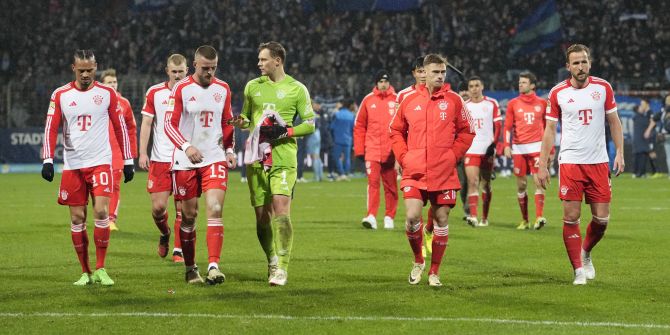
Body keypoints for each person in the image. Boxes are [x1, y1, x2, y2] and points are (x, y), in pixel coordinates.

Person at [41, 49, 135, 286]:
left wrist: (128, 160)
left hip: (100, 162)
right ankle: (86, 271)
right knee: (77, 218)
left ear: (96, 68)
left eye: (90, 70)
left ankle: (101, 268)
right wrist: (48, 159)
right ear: (73, 68)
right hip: (73, 165)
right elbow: (51, 127)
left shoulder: (106, 94)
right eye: (81, 70)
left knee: (102, 213)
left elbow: (120, 126)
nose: (85, 74)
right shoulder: (60, 94)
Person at [536, 44, 624, 285]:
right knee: (571, 216)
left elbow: (614, 122)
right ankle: (577, 270)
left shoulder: (603, 87)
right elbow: (550, 130)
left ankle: (585, 252)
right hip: (571, 162)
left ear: (590, 63)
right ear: (568, 67)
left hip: (598, 161)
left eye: (584, 61)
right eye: (576, 63)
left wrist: (619, 153)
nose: (581, 66)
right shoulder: (558, 93)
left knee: (602, 220)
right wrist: (542, 164)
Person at [230, 41, 315, 286]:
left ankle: (283, 268)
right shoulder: (252, 87)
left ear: (277, 60)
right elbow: (247, 118)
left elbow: (309, 124)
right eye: (259, 60)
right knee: (261, 217)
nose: (259, 63)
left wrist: (285, 132)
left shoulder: (297, 89)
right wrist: (241, 122)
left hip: (283, 158)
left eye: (263, 59)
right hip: (256, 158)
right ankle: (272, 260)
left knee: (281, 210)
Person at [390, 54, 475, 287]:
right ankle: (418, 260)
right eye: (435, 72)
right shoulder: (407, 100)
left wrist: (452, 155)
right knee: (412, 217)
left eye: (442, 72)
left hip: (444, 171)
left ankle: (435, 271)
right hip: (415, 169)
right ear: (423, 73)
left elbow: (468, 131)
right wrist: (404, 157)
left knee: (441, 218)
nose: (439, 76)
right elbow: (395, 131)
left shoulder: (455, 100)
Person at [164, 45, 236, 285]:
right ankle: (190, 268)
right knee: (188, 216)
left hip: (213, 157)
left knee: (215, 207)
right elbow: (169, 126)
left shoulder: (223, 88)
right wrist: (186, 147)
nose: (210, 73)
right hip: (185, 161)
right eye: (206, 68)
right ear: (194, 65)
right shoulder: (181, 89)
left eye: (214, 68)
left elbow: (227, 122)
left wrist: (229, 150)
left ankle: (214, 266)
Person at [138, 54, 188, 262]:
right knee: (158, 209)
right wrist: (142, 152)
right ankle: (165, 233)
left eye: (181, 72)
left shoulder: (194, 93)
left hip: (185, 159)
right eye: (174, 72)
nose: (177, 75)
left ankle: (178, 250)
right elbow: (147, 124)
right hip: (160, 159)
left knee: (183, 209)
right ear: (167, 71)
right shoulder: (155, 92)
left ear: (187, 71)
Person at [503, 72, 549, 230]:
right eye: (519, 82)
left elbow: (548, 127)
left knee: (538, 181)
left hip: (537, 146)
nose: (520, 84)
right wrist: (506, 145)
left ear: (532, 85)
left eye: (523, 82)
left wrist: (549, 150)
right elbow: (507, 126)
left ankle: (539, 217)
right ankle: (525, 220)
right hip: (519, 148)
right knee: (521, 185)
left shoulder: (542, 103)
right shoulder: (513, 103)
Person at [354, 70, 399, 230]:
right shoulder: (368, 100)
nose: (383, 84)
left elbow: (404, 127)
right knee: (372, 184)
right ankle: (371, 216)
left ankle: (389, 217)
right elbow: (359, 125)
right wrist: (359, 150)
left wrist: (401, 151)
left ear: (389, 83)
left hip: (391, 152)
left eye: (386, 81)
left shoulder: (397, 100)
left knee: (391, 186)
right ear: (376, 83)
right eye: (380, 81)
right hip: (372, 150)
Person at [100, 69, 138, 232]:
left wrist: (131, 154)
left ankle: (111, 219)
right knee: (99, 186)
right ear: (102, 84)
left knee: (115, 185)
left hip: (117, 152)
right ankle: (100, 215)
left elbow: (131, 129)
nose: (113, 85)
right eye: (109, 82)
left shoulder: (124, 103)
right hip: (98, 151)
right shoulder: (96, 102)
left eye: (114, 82)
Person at [463, 76, 501, 227]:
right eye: (471, 86)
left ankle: (484, 217)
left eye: (476, 85)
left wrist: (494, 145)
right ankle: (473, 216)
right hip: (471, 149)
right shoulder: (464, 106)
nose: (474, 88)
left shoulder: (491, 103)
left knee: (486, 184)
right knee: (473, 182)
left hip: (487, 149)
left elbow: (498, 126)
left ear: (482, 86)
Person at [329, 98, 355, 180]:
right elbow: (353, 129)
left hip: (338, 139)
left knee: (337, 157)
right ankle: (346, 173)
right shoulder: (351, 115)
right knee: (347, 158)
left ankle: (341, 173)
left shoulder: (337, 114)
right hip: (348, 140)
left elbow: (332, 127)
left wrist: (333, 136)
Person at [632, 99, 656, 178]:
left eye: (642, 104)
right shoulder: (638, 116)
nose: (641, 106)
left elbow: (652, 121)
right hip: (640, 139)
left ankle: (638, 173)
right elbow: (651, 122)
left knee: (641, 155)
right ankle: (639, 173)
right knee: (640, 155)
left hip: (642, 139)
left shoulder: (645, 115)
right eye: (640, 105)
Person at [306, 101, 324, 182]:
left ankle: (316, 176)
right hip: (318, 134)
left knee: (314, 156)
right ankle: (320, 175)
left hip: (313, 135)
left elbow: (309, 126)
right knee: (317, 156)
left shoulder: (311, 113)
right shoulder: (317, 114)